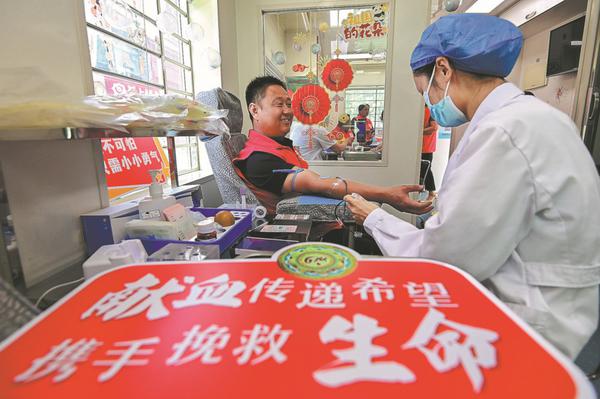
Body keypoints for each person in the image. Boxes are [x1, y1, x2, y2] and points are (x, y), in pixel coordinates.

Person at [344, 13, 600, 359]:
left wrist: (373, 217)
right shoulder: (532, 118)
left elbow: (446, 260)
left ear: (444, 70)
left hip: (536, 321)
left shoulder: (504, 132)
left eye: (426, 91)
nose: (431, 104)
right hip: (559, 306)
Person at [233, 76, 432, 216]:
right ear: (255, 110)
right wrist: (388, 195)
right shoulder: (259, 158)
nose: (287, 111)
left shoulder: (276, 146)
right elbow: (322, 184)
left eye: (289, 103)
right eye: (279, 104)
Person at [421, 105, 438, 200]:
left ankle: (432, 192)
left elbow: (434, 127)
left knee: (426, 169)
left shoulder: (431, 111)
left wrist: (419, 132)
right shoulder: (421, 110)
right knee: (422, 170)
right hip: (419, 146)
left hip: (426, 146)